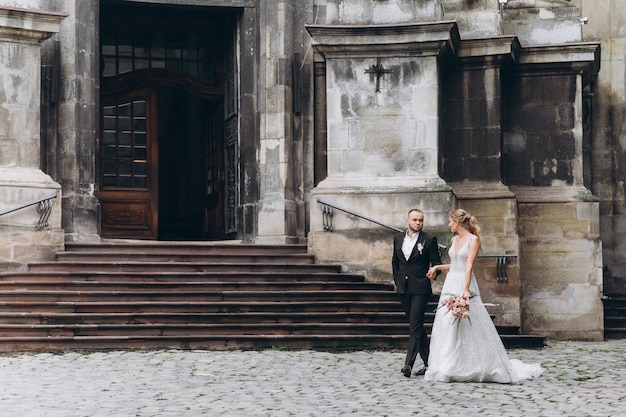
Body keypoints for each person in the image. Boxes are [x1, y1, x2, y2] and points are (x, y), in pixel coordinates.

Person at [424, 208, 543, 383]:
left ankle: (476, 364)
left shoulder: (474, 240)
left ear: (457, 222)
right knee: (448, 322)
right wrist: (437, 267)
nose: (448, 224)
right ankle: (448, 365)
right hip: (451, 282)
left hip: (465, 283)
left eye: (450, 221)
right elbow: (456, 264)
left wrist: (465, 290)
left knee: (469, 322)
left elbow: (469, 266)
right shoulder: (454, 239)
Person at [392, 208, 442, 378]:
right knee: (417, 327)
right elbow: (395, 262)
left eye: (421, 220)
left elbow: (437, 264)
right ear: (408, 220)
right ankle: (429, 363)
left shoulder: (429, 239)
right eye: (415, 220)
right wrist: (397, 280)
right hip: (403, 288)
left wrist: (433, 272)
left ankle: (408, 364)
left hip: (420, 288)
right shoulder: (398, 238)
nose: (418, 223)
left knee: (414, 323)